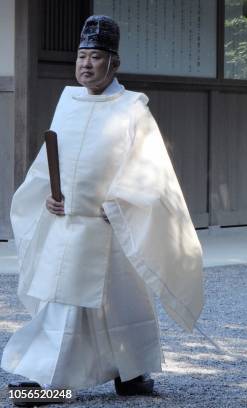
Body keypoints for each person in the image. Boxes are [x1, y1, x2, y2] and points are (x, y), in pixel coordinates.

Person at [2, 15, 204, 403]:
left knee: (123, 307)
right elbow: (50, 161)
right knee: (64, 305)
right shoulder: (68, 103)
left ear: (114, 63)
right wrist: (47, 195)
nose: (86, 64)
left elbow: (150, 168)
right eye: (81, 56)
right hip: (68, 227)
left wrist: (119, 204)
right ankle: (49, 384)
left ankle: (131, 375)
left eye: (95, 56)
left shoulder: (132, 109)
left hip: (110, 223)